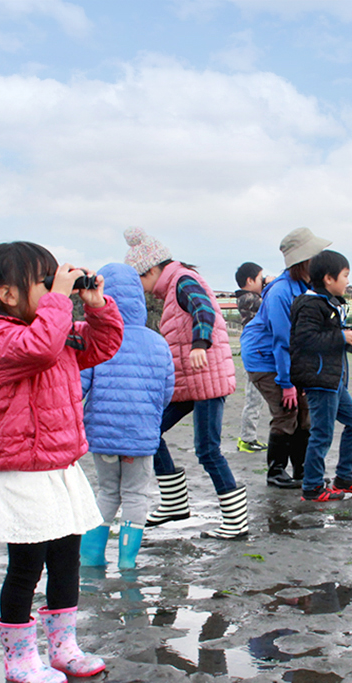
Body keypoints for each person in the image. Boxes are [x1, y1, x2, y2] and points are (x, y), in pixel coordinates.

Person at [0, 241, 123, 681]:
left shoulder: (54, 327)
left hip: (61, 465)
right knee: (25, 567)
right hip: (23, 468)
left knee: (66, 560)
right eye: (44, 281)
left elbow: (103, 343)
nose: (54, 288)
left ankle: (64, 647)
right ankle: (19, 659)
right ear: (7, 294)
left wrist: (96, 306)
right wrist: (59, 300)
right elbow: (38, 347)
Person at [124, 227, 246, 540]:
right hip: (188, 382)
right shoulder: (174, 286)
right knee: (149, 430)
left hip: (206, 377)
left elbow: (203, 309)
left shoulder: (183, 281)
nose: (141, 288)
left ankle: (235, 521)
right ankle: (174, 502)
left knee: (207, 449)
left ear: (152, 270)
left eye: (140, 279)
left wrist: (199, 345)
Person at [80, 263, 175, 570]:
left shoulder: (98, 338)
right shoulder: (158, 343)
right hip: (140, 435)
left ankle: (91, 557)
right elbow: (167, 391)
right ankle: (127, 560)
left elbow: (78, 386)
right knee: (136, 494)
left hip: (103, 436)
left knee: (107, 491)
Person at [240, 228, 331, 488]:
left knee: (305, 412)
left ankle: (302, 470)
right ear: (304, 261)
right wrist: (287, 383)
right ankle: (276, 472)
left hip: (289, 357)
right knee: (286, 411)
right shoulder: (281, 292)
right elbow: (282, 341)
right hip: (265, 357)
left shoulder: (305, 287)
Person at [290, 250, 352, 502]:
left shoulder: (330, 303)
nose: (348, 281)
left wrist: (347, 336)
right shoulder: (310, 303)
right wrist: (340, 336)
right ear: (328, 278)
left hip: (333, 379)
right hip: (319, 380)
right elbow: (304, 339)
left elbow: (321, 338)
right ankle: (313, 486)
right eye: (345, 276)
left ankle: (345, 477)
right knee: (322, 434)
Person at [233, 262, 268, 453]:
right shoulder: (248, 298)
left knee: (257, 397)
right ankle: (247, 438)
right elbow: (271, 304)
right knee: (253, 397)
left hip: (258, 351)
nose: (263, 282)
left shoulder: (251, 297)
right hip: (255, 353)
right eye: (260, 278)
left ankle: (249, 437)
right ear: (249, 280)